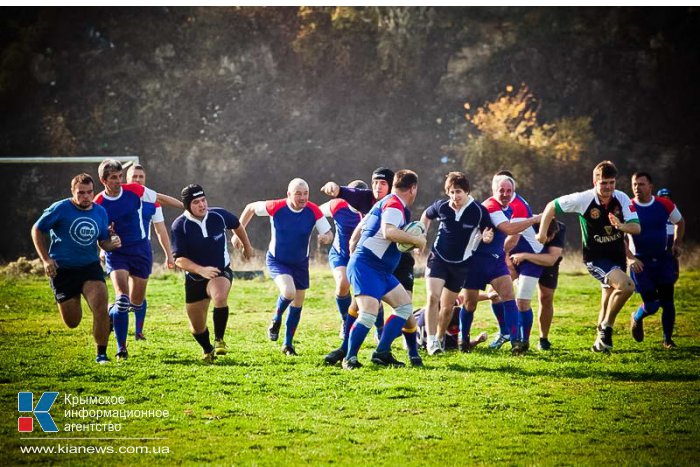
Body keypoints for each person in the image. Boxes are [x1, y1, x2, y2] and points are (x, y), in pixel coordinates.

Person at [321, 167, 422, 366]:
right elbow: (388, 232)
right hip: (368, 266)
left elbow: (363, 225)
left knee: (404, 307)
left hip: (380, 269)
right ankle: (349, 358)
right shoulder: (394, 204)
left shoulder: (386, 202)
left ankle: (382, 352)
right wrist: (417, 241)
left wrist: (353, 244)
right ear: (413, 189)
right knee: (368, 313)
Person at [537, 160, 640, 353]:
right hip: (596, 258)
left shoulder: (622, 198)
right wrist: (542, 234)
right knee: (627, 286)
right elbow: (552, 206)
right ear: (595, 182)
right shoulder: (583, 199)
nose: (608, 187)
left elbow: (636, 227)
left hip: (617, 256)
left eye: (611, 182)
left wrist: (621, 226)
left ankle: (599, 345)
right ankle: (606, 328)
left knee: (608, 298)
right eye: (604, 183)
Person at [94, 159, 183, 361]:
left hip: (141, 251)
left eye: (119, 176)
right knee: (122, 299)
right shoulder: (98, 203)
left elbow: (159, 198)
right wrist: (106, 242)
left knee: (135, 302)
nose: (118, 181)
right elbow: (98, 236)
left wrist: (185, 206)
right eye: (113, 178)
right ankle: (121, 348)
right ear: (103, 180)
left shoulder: (134, 190)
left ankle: (113, 313)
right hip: (117, 254)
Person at [31, 173, 122, 363]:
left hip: (89, 267)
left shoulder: (100, 212)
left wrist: (111, 243)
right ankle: (102, 319)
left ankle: (102, 354)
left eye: (89, 192)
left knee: (99, 308)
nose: (86, 197)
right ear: (73, 192)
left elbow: (103, 242)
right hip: (62, 270)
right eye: (81, 193)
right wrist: (46, 260)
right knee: (73, 322)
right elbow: (37, 229)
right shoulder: (60, 208)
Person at [236, 178, 333, 356]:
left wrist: (326, 238)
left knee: (297, 304)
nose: (303, 197)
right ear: (289, 194)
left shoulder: (313, 210)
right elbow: (250, 207)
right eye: (298, 194)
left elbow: (328, 233)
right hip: (277, 261)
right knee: (289, 292)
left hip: (301, 264)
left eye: (305, 193)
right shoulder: (276, 207)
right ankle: (276, 318)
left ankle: (288, 345)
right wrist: (238, 234)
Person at [457, 174, 541, 356]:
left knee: (509, 296)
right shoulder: (490, 206)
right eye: (501, 190)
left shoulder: (509, 208)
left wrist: (503, 252)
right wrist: (535, 219)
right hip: (476, 262)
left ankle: (515, 342)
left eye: (509, 191)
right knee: (470, 304)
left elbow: (513, 233)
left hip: (495, 261)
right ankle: (463, 341)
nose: (505, 194)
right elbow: (509, 229)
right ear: (493, 190)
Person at [171, 184, 254, 361]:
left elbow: (237, 225)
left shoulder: (218, 215)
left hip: (219, 271)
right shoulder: (180, 225)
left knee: (219, 296)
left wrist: (247, 246)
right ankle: (208, 350)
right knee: (197, 327)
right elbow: (179, 259)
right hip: (194, 278)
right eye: (196, 202)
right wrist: (200, 270)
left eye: (203, 200)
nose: (202, 205)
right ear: (187, 205)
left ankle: (219, 340)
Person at [419, 171, 495, 355]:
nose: (455, 196)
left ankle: (439, 338)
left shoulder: (478, 210)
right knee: (432, 297)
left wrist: (487, 236)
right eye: (451, 192)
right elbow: (426, 216)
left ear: (467, 191)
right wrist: (421, 234)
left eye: (458, 192)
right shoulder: (442, 206)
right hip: (438, 258)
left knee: (447, 307)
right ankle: (431, 342)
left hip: (461, 264)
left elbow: (488, 229)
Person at [628, 173, 685, 349]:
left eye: (642, 184)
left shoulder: (664, 204)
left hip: (663, 260)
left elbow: (680, 222)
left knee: (668, 302)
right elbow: (619, 236)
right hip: (641, 263)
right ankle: (637, 317)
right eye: (635, 184)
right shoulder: (627, 206)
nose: (638, 188)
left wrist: (677, 244)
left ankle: (668, 340)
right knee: (652, 305)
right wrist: (630, 258)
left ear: (650, 186)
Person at [125, 163, 176, 340]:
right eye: (134, 177)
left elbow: (160, 230)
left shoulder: (152, 200)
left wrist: (169, 255)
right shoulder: (118, 197)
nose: (138, 180)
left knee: (138, 294)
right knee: (123, 294)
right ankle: (115, 318)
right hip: (120, 251)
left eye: (141, 177)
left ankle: (138, 331)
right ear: (127, 179)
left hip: (142, 250)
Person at [318, 180, 367, 340]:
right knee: (343, 284)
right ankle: (345, 321)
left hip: (363, 256)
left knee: (370, 293)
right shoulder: (336, 205)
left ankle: (379, 329)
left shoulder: (371, 208)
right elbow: (316, 213)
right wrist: (325, 232)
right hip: (340, 254)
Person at [510, 220, 566, 351]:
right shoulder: (525, 224)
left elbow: (551, 259)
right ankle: (515, 337)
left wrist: (525, 255)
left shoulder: (559, 227)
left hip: (545, 263)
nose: (549, 240)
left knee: (546, 297)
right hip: (522, 263)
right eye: (547, 237)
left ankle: (543, 339)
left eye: (551, 237)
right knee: (517, 299)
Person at [656, 188, 680, 282]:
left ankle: (673, 276)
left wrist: (677, 241)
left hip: (671, 237)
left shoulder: (673, 207)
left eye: (667, 197)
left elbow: (679, 223)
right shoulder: (655, 207)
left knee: (672, 257)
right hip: (660, 237)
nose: (666, 199)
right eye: (663, 197)